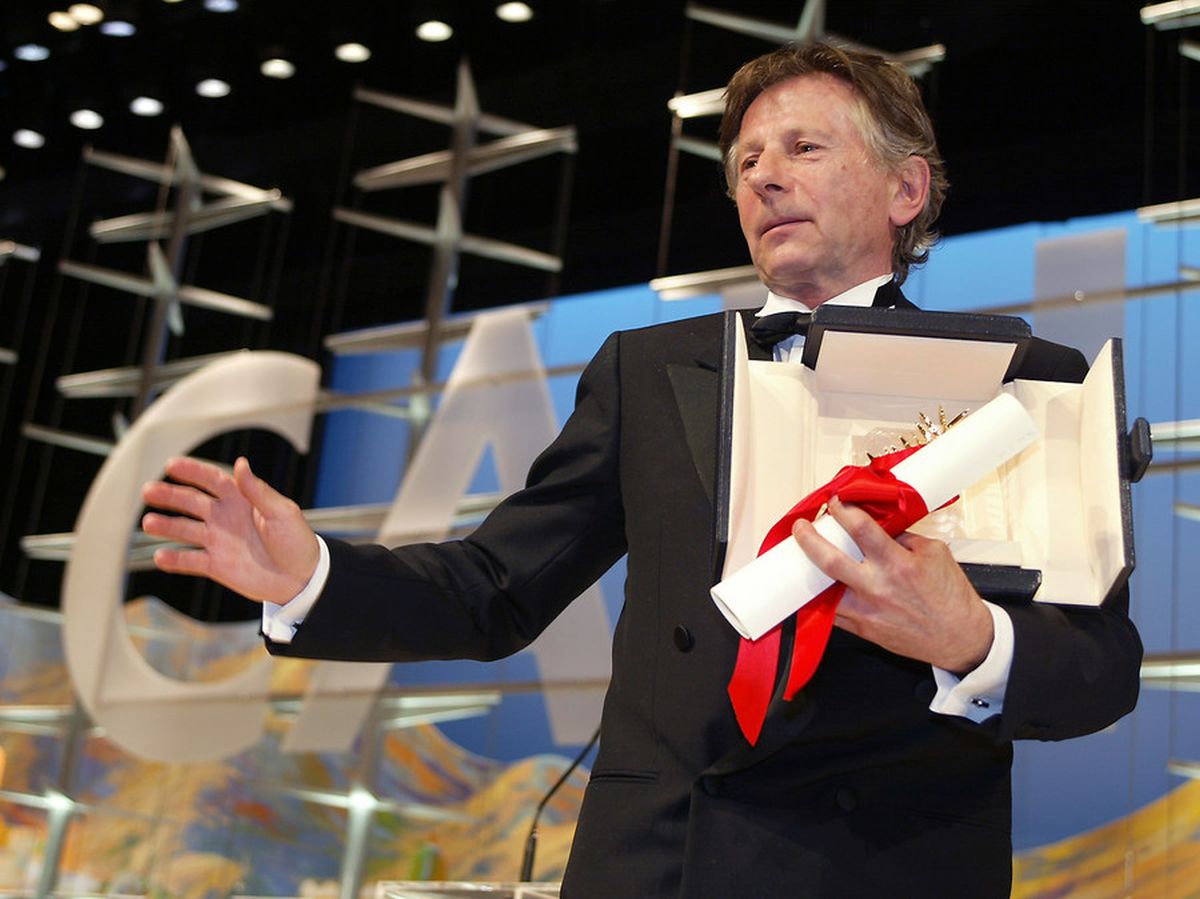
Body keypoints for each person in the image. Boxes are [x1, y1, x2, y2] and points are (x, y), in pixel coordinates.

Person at [142, 42, 1142, 898]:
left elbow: (1102, 669)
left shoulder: (1023, 384)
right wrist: (312, 576)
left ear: (905, 189)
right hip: (661, 864)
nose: (763, 177)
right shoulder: (649, 371)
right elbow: (494, 587)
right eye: (746, 160)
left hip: (891, 868)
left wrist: (974, 638)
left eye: (803, 148)